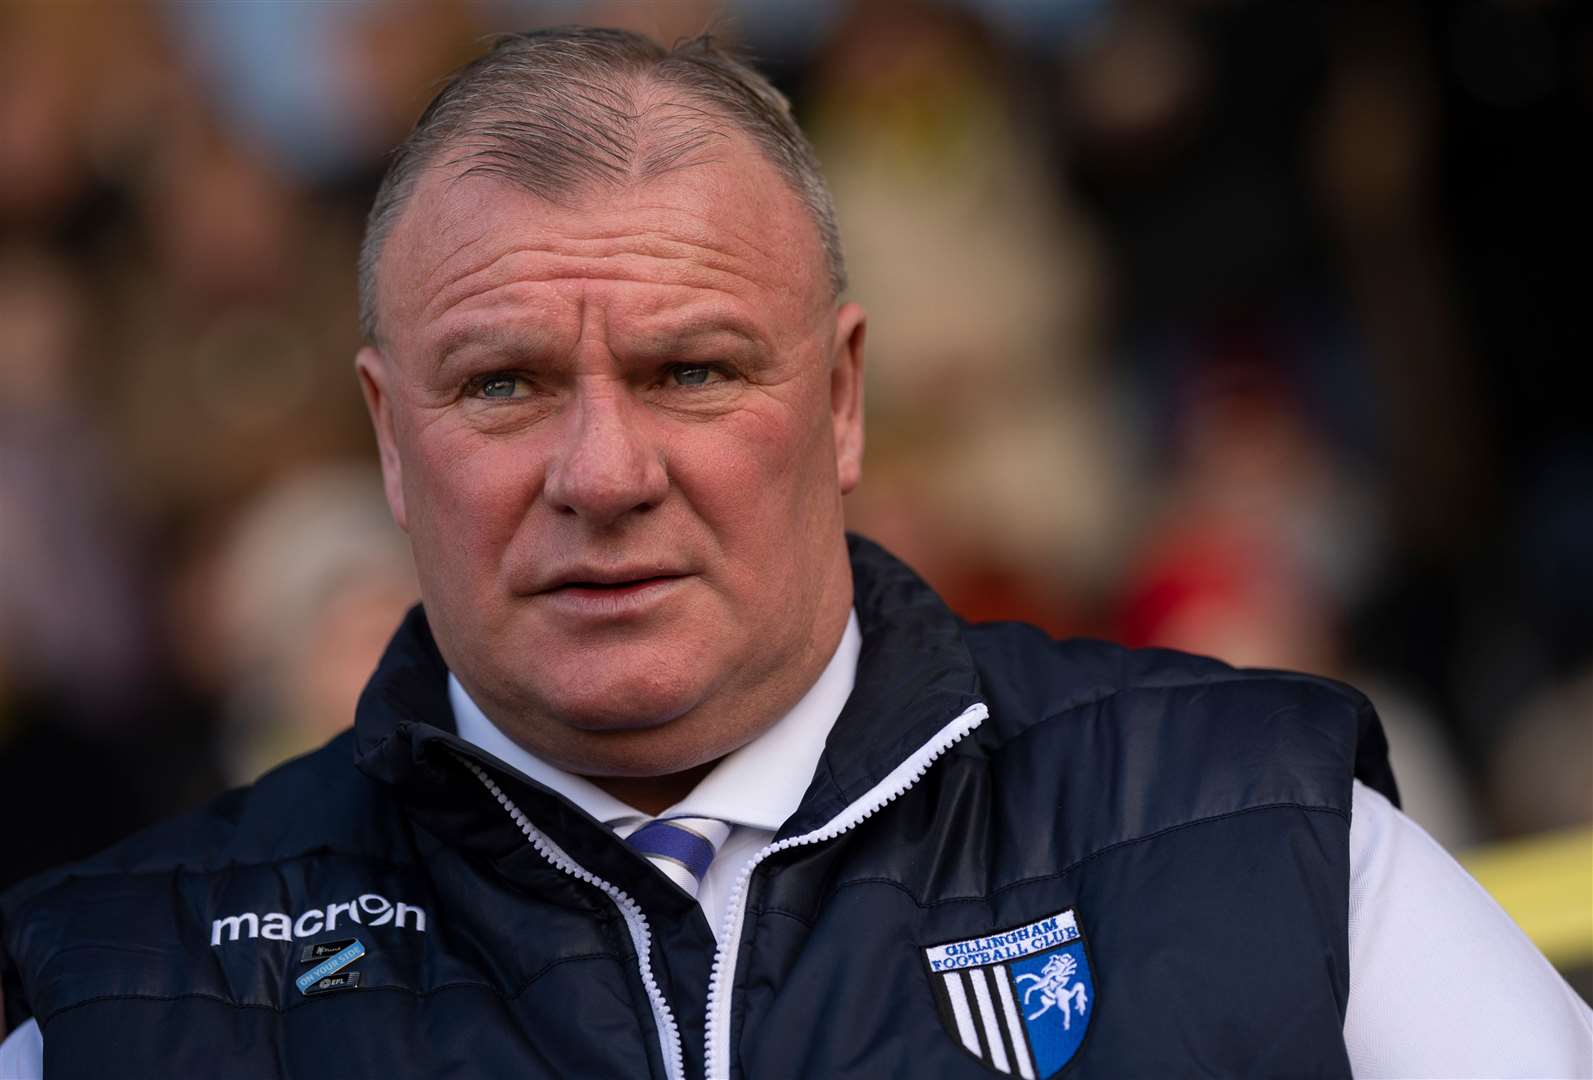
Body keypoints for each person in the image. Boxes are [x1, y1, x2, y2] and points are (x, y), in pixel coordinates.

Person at [2, 28, 1588, 1080]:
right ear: (384, 437)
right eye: (503, 386)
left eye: (693, 370)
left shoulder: (1266, 837)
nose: (603, 472)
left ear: (840, 404)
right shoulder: (121, 994)